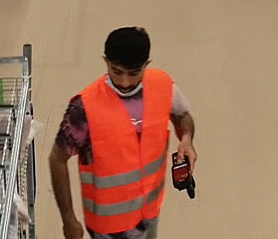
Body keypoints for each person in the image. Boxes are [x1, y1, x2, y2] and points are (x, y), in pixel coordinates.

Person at [51, 27, 196, 239]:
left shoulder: (163, 85)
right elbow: (57, 159)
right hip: (109, 228)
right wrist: (68, 219)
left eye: (134, 73)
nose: (125, 82)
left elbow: (182, 116)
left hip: (149, 213)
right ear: (105, 61)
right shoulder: (84, 108)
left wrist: (186, 138)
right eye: (116, 71)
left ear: (146, 65)